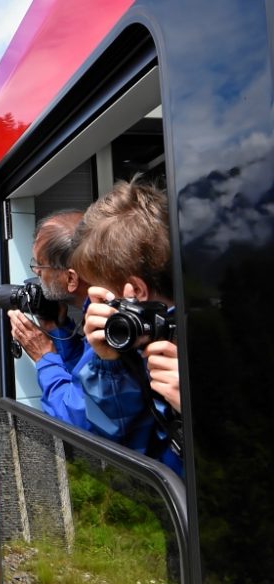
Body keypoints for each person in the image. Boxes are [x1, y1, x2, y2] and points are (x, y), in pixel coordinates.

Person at [71, 176, 184, 477]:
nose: (95, 305)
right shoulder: (140, 347)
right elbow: (132, 456)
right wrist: (109, 363)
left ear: (135, 291)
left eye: (103, 292)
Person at [8, 209, 94, 428]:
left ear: (71, 278)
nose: (36, 271)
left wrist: (44, 357)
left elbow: (76, 420)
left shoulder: (108, 327)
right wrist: (57, 329)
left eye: (40, 265)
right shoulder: (95, 313)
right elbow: (85, 377)